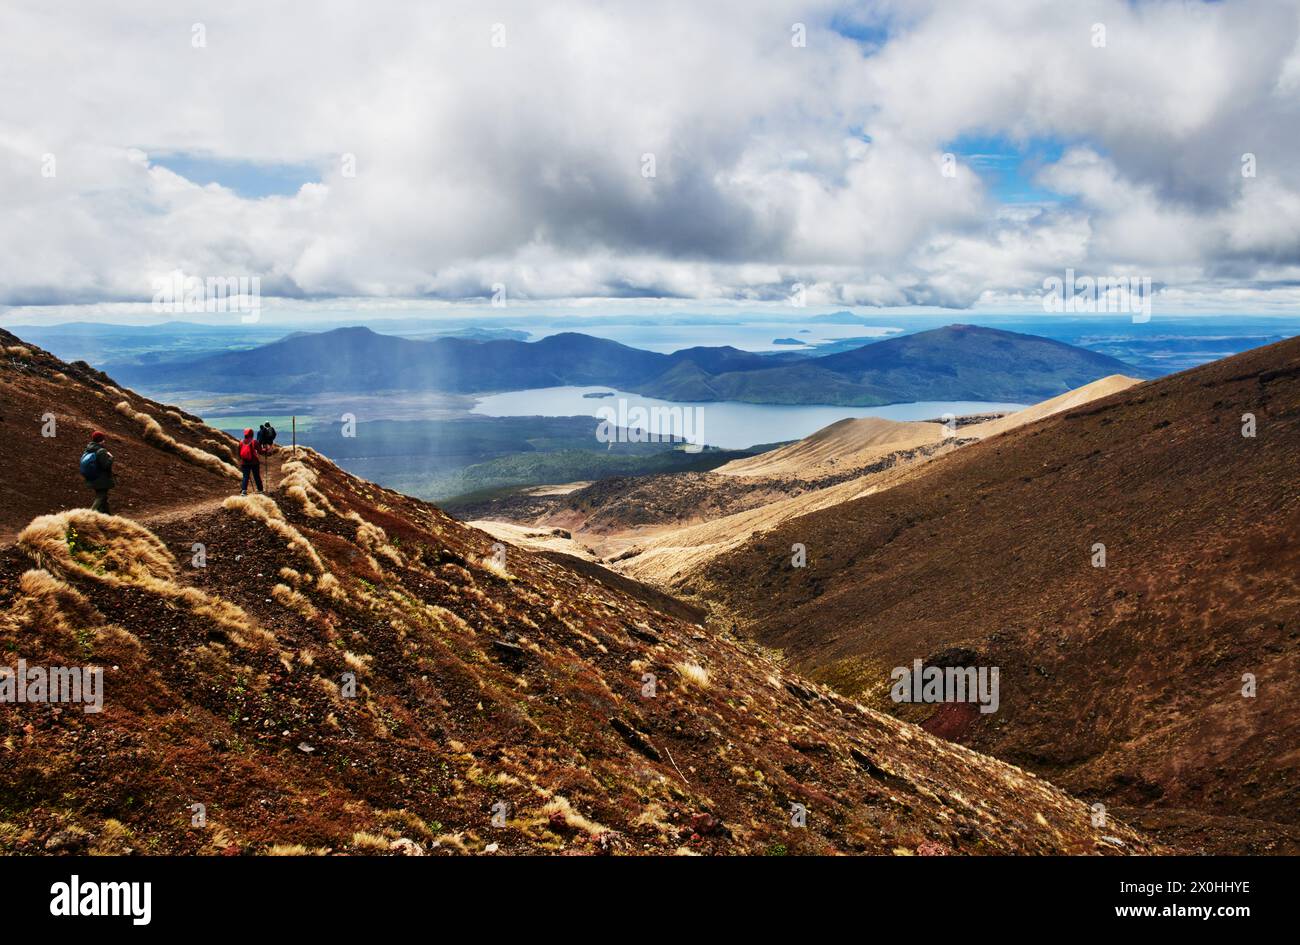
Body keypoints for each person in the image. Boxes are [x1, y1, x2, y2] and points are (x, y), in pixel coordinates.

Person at [80, 431, 116, 514]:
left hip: (93, 478)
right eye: (103, 439)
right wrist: (111, 458)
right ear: (101, 440)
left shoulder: (88, 449)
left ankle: (107, 516)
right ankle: (89, 515)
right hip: (101, 479)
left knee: (103, 497)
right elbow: (105, 466)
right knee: (101, 496)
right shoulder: (101, 451)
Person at [236, 427, 268, 495]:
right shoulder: (254, 442)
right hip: (254, 462)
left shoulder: (241, 442)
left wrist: (241, 460)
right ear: (252, 434)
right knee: (256, 476)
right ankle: (260, 490)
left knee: (245, 477)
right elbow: (260, 451)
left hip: (244, 462)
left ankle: (244, 490)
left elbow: (239, 453)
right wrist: (265, 450)